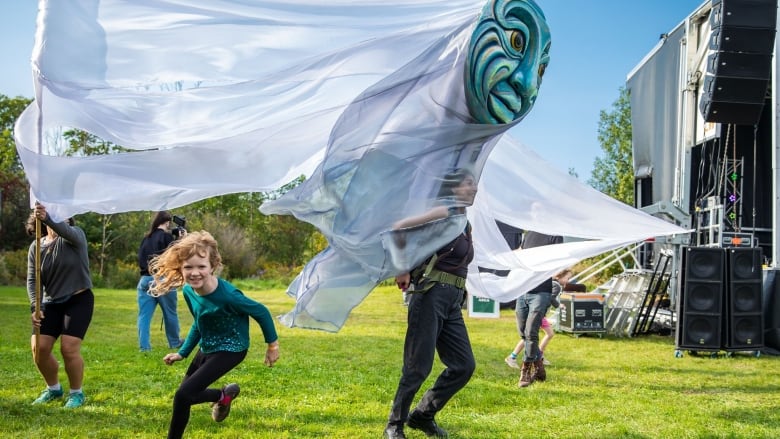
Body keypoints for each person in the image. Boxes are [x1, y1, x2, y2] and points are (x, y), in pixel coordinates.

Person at [148, 230, 280, 439]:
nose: (194, 272)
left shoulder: (228, 296)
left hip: (231, 349)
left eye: (201, 266)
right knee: (187, 395)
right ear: (181, 268)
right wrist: (182, 353)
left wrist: (272, 346)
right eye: (188, 267)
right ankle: (224, 395)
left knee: (183, 395)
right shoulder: (190, 292)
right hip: (208, 346)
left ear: (213, 266)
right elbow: (200, 323)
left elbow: (261, 312)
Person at [384, 169, 477, 439]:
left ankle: (422, 416)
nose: (474, 188)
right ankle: (394, 425)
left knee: (464, 365)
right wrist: (402, 268)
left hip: (452, 300)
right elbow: (398, 227)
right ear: (453, 188)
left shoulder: (464, 222)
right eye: (468, 184)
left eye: (474, 184)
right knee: (417, 366)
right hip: (430, 294)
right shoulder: (444, 212)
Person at [26, 203, 94, 409]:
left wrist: (47, 217)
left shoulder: (75, 237)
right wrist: (34, 307)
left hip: (79, 299)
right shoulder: (36, 247)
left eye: (63, 216)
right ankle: (53, 389)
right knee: (39, 348)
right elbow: (32, 280)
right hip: (50, 302)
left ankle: (76, 393)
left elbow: (62, 230)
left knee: (68, 348)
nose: (60, 219)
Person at [514, 231, 563, 388]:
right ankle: (539, 365)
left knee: (531, 332)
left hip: (541, 291)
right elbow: (520, 253)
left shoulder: (555, 235)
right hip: (523, 289)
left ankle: (525, 371)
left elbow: (557, 261)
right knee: (523, 332)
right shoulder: (528, 234)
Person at [137, 211, 182, 352]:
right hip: (163, 279)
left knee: (144, 315)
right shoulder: (167, 237)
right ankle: (174, 342)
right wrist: (181, 240)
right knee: (170, 313)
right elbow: (175, 256)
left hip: (144, 279)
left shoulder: (146, 238)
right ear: (167, 222)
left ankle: (144, 347)